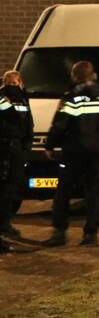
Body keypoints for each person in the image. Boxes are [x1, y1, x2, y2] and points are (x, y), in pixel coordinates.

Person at [42, 61, 99, 247]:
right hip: (98, 152)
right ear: (92, 75)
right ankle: (91, 234)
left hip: (74, 151)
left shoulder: (72, 97)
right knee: (93, 192)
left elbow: (60, 125)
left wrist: (50, 145)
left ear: (75, 76)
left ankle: (59, 233)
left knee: (64, 190)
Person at [1, 70, 33, 249]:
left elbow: (28, 122)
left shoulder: (23, 98)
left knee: (13, 186)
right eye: (10, 83)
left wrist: (27, 143)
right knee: (5, 187)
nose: (13, 86)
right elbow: (12, 117)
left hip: (18, 148)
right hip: (5, 147)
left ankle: (5, 223)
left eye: (15, 83)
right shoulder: (4, 98)